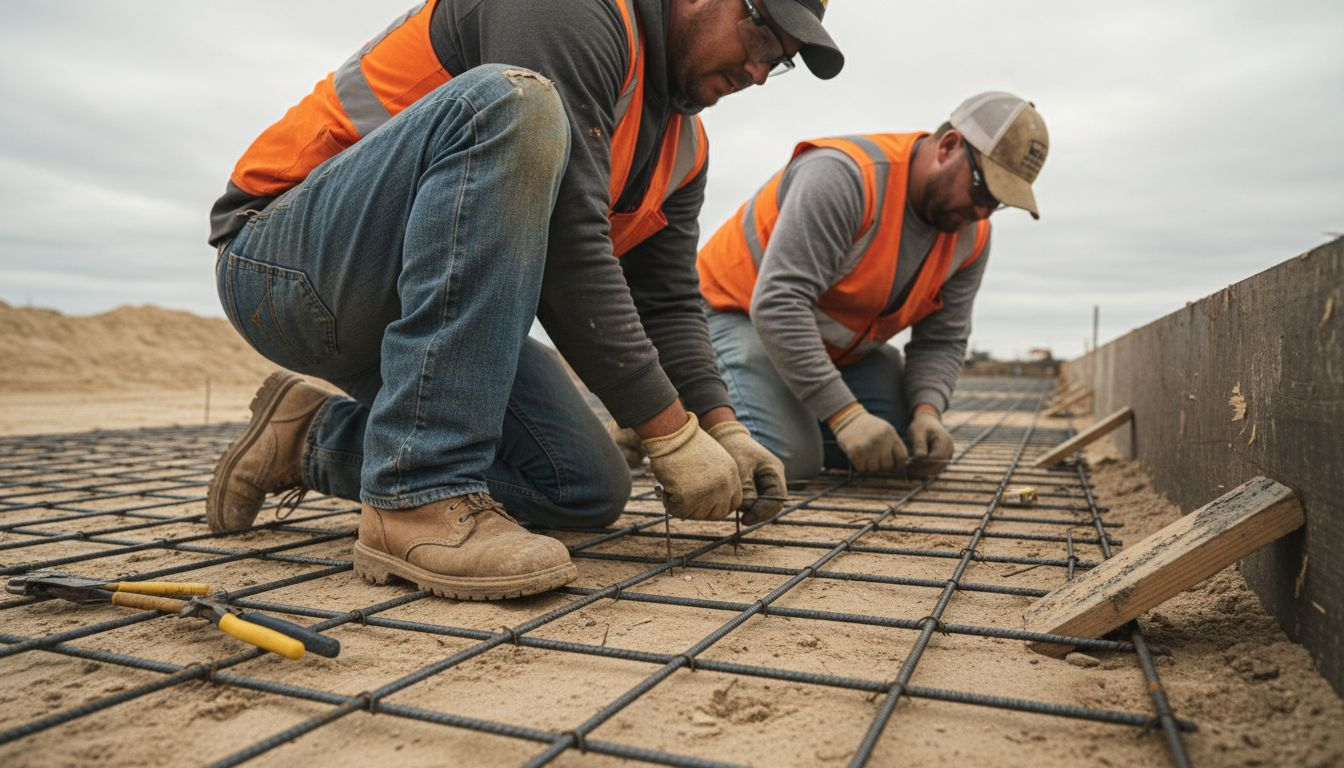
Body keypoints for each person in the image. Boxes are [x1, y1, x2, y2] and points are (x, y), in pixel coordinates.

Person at [206, 0, 843, 601]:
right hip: (287, 265)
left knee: (581, 486)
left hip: (418, 313)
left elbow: (668, 301)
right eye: (762, 33)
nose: (760, 73)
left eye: (779, 60)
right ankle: (418, 490)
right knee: (514, 103)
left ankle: (305, 438)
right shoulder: (573, 13)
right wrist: (670, 434)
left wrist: (720, 423)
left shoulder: (684, 148)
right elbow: (570, 244)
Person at [697, 92, 1048, 480]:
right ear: (949, 147)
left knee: (900, 447)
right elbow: (780, 305)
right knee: (786, 460)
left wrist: (927, 411)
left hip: (830, 351)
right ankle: (692, 400)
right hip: (732, 315)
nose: (982, 212)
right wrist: (846, 417)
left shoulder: (972, 235)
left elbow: (942, 339)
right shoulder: (844, 177)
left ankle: (783, 412)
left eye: (998, 202)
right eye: (982, 190)